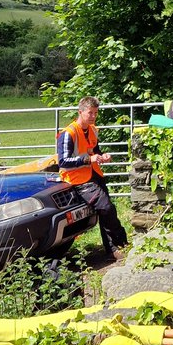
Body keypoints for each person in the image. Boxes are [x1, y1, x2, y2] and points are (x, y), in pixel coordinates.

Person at [56, 96, 128, 259]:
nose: (94, 116)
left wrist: (103, 156)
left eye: (96, 113)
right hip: (78, 179)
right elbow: (63, 161)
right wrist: (89, 159)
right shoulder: (68, 133)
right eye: (90, 113)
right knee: (106, 208)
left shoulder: (93, 129)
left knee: (107, 210)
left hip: (95, 175)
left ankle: (116, 248)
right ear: (80, 112)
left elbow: (95, 151)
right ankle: (118, 245)